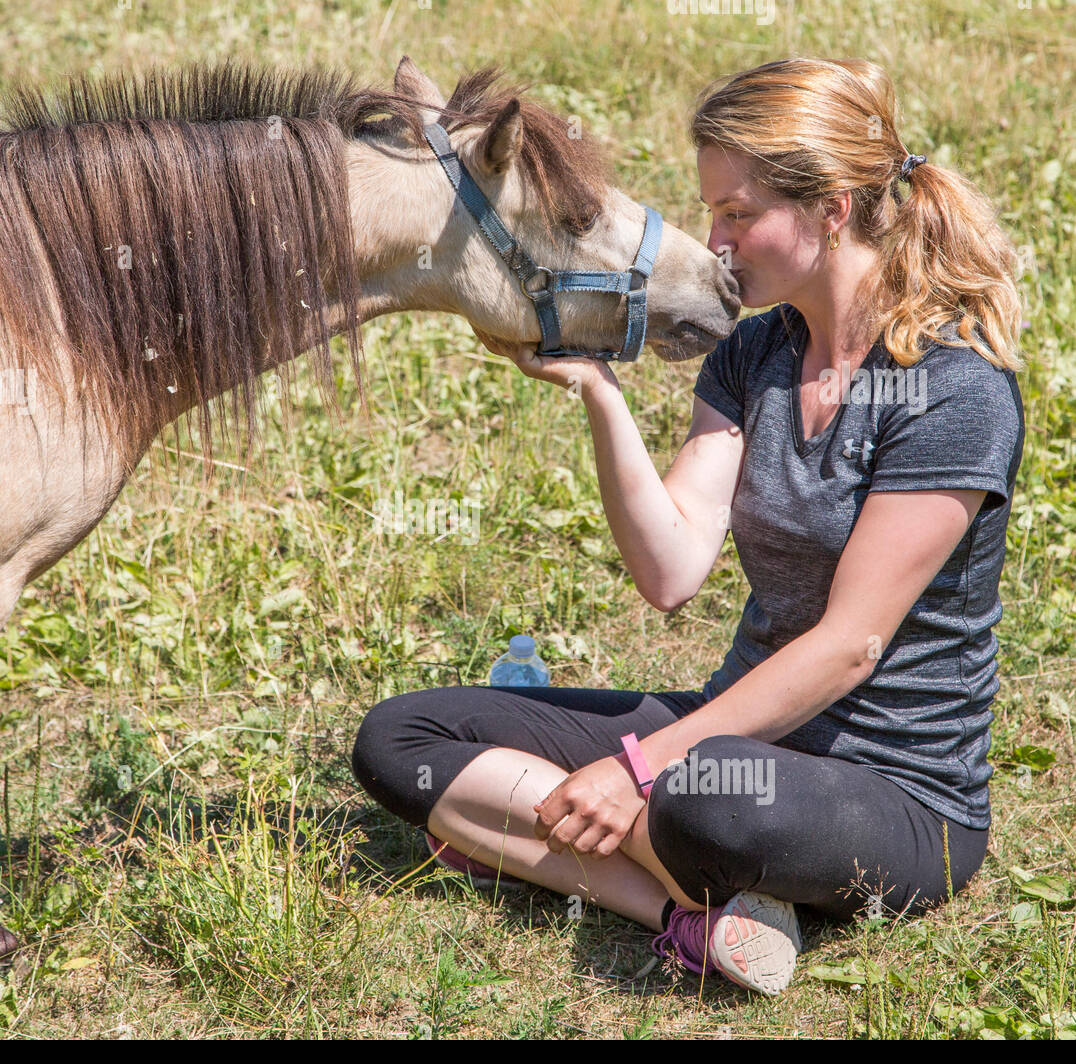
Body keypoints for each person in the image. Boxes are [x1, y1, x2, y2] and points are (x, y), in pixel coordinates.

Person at [351, 57, 1025, 996]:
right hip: (740, 736)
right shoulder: (755, 353)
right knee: (401, 740)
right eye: (714, 212)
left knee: (707, 809)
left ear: (831, 208)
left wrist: (641, 767)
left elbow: (848, 648)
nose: (715, 241)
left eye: (739, 214)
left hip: (894, 793)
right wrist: (598, 391)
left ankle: (545, 834)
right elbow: (670, 570)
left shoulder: (954, 391)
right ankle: (689, 914)